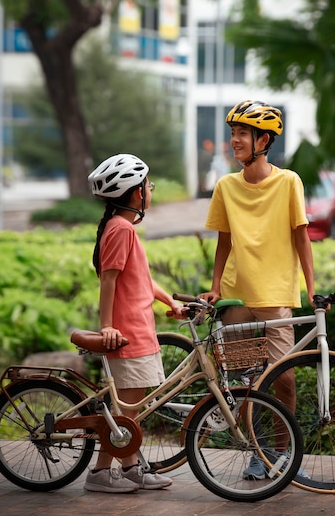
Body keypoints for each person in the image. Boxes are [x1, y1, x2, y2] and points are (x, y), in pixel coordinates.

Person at [199, 100, 316, 480]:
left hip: (276, 294)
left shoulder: (288, 182)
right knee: (246, 382)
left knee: (283, 379)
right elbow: (224, 241)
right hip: (237, 296)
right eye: (232, 134)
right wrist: (216, 286)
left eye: (241, 134)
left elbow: (302, 237)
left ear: (262, 140)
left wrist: (313, 290)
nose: (233, 141)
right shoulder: (226, 186)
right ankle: (258, 452)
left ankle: (284, 454)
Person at [85, 153, 185, 494]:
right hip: (126, 335)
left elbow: (140, 279)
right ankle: (102, 473)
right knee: (127, 411)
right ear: (137, 193)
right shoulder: (120, 229)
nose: (150, 190)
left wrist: (170, 300)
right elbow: (109, 280)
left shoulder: (123, 228)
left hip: (139, 331)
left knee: (131, 411)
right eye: (149, 185)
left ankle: (130, 467)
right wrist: (107, 327)